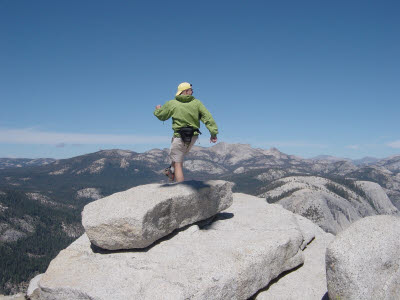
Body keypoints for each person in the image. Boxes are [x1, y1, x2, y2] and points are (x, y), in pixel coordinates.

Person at [154, 82, 218, 182]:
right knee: (177, 157)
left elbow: (162, 116)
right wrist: (213, 133)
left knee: (178, 163)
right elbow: (207, 118)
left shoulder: (172, 103)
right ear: (186, 91)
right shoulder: (197, 103)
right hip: (193, 136)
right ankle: (170, 170)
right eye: (191, 90)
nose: (192, 92)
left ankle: (180, 189)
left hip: (179, 136)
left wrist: (158, 109)